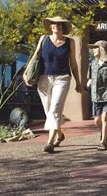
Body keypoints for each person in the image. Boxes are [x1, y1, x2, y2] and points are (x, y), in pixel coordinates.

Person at [23, 16, 82, 153]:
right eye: (54, 24)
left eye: (59, 24)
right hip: (43, 78)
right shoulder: (43, 39)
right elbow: (35, 55)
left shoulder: (70, 42)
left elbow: (73, 63)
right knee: (48, 111)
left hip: (62, 78)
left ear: (63, 27)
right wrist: (26, 72)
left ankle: (49, 143)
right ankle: (60, 135)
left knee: (55, 109)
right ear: (50, 27)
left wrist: (78, 82)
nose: (56, 26)